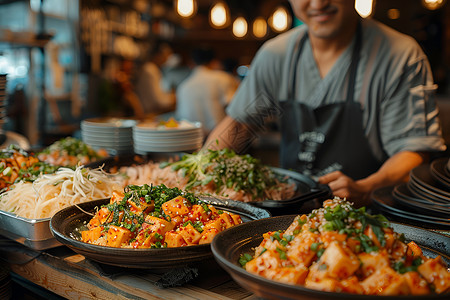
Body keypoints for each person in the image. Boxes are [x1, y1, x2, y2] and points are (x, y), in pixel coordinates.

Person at [205, 0, 447, 206]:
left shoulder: (399, 55)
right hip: (287, 217)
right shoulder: (275, 55)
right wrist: (198, 174)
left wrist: (364, 189)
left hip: (370, 218)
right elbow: (239, 127)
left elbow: (413, 153)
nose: (318, 3)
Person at [176, 47, 239, 136]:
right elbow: (236, 110)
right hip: (222, 139)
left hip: (192, 140)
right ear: (214, 62)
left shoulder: (183, 86)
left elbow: (181, 117)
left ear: (191, 63)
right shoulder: (223, 78)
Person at [134, 41, 176, 117]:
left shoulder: (151, 69)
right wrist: (173, 98)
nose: (166, 60)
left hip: (152, 113)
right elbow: (158, 100)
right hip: (150, 114)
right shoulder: (150, 70)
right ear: (158, 55)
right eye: (165, 56)